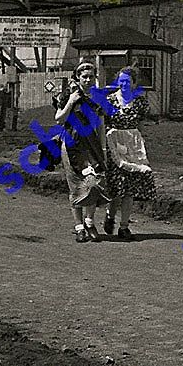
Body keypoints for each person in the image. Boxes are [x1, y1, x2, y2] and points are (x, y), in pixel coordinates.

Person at [54, 62, 111, 243]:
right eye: (84, 76)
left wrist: (103, 150)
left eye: (90, 76)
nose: (87, 80)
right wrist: (71, 100)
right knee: (76, 185)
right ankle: (79, 227)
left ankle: (89, 221)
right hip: (72, 144)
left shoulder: (98, 98)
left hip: (92, 146)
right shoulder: (67, 96)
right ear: (77, 77)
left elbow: (101, 126)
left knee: (94, 184)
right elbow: (58, 119)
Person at [103, 67, 158, 241]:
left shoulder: (140, 102)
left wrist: (140, 147)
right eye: (121, 81)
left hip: (133, 145)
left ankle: (124, 226)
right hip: (114, 144)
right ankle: (110, 216)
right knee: (116, 188)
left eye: (127, 81)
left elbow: (140, 126)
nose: (124, 84)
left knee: (130, 189)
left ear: (134, 83)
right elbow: (103, 125)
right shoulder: (110, 100)